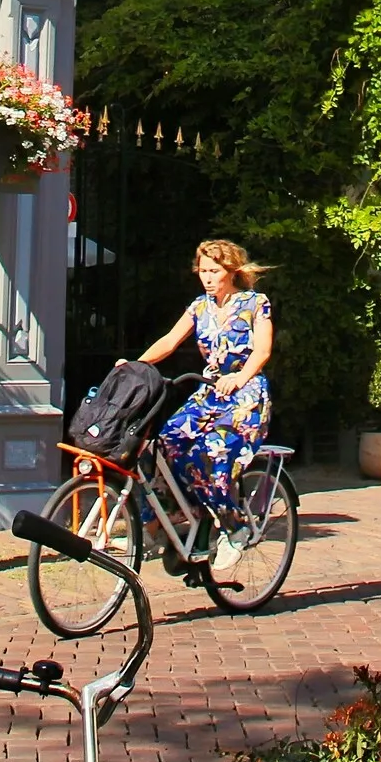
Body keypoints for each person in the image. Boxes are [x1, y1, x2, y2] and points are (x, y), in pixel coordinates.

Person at [141, 239, 274, 579]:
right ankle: (177, 516)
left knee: (211, 454)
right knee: (165, 442)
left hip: (245, 394)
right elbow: (170, 341)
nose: (208, 278)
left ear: (232, 271)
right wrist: (135, 365)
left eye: (214, 271)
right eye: (203, 271)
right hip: (210, 393)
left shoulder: (255, 303)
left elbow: (262, 351)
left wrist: (240, 377)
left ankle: (235, 528)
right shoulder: (199, 307)